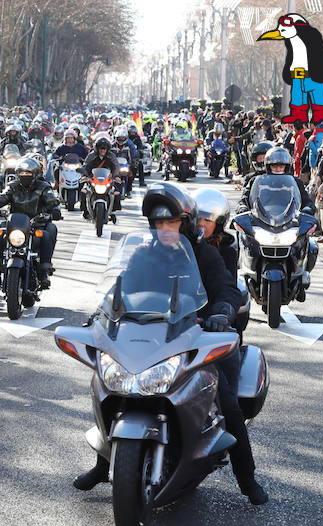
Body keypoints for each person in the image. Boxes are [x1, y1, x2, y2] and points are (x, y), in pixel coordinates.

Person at [73, 183, 268, 505]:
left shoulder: (203, 252)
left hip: (201, 335)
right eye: (159, 223)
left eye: (172, 222)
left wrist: (221, 313)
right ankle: (104, 463)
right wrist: (101, 312)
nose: (165, 229)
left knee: (228, 403)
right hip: (152, 334)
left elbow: (226, 290)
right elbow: (120, 287)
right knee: (115, 388)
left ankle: (247, 479)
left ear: (185, 222)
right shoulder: (144, 253)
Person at [0, 156, 59, 288]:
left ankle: (44, 269)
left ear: (35, 173)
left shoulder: (44, 187)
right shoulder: (13, 186)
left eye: (28, 173)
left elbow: (51, 199)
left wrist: (54, 209)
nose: (25, 176)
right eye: (22, 173)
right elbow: (3, 197)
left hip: (37, 223)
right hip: (15, 224)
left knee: (48, 232)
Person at [237, 146, 313, 214]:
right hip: (261, 217)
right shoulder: (256, 180)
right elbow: (245, 198)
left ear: (286, 166)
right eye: (274, 166)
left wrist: (307, 207)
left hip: (290, 218)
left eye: (281, 166)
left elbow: (306, 200)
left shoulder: (296, 182)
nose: (278, 169)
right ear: (268, 166)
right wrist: (242, 206)